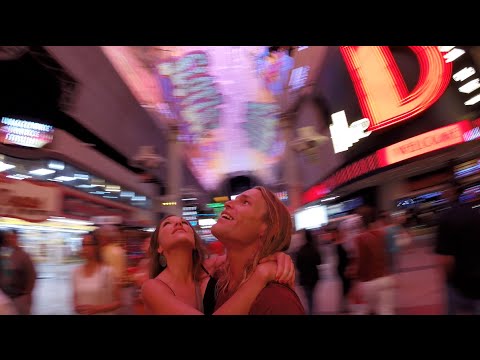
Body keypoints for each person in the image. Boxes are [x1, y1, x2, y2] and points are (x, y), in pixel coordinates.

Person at [141, 214, 295, 315]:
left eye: (184, 222)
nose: (178, 224)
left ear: (194, 242)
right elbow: (260, 269)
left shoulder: (208, 268)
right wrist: (261, 275)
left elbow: (250, 257)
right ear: (159, 247)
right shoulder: (153, 288)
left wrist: (275, 256)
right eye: (167, 223)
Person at [210, 186, 305, 315]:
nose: (227, 203)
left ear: (267, 228)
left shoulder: (277, 300)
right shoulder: (222, 285)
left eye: (245, 202)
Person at [435, 184, 480, 314]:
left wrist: (447, 278)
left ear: (451, 192)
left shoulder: (446, 217)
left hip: (458, 280)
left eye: (444, 190)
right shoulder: (475, 213)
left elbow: (446, 258)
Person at [348, 206, 394, 315]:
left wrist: (355, 283)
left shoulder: (360, 238)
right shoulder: (382, 233)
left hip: (370, 282)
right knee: (386, 311)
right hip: (386, 279)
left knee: (363, 311)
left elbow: (361, 264)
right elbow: (387, 255)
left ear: (360, 221)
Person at [72, 232, 122, 315]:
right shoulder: (76, 272)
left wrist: (97, 309)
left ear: (96, 247)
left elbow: (118, 302)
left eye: (88, 244)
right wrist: (76, 306)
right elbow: (75, 297)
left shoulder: (108, 272)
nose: (85, 248)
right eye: (83, 244)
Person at [0, 229, 36, 315]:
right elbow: (4, 272)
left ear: (17, 238)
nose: (9, 239)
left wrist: (27, 294)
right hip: (5, 296)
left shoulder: (24, 256)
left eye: (12, 237)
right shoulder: (4, 254)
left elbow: (32, 276)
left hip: (20, 297)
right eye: (8, 237)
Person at [295, 229, 321, 315]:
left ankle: (311, 312)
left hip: (304, 277)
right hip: (314, 277)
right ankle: (312, 311)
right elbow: (319, 262)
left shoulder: (301, 251)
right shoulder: (314, 249)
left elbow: (298, 265)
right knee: (311, 296)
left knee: (309, 296)